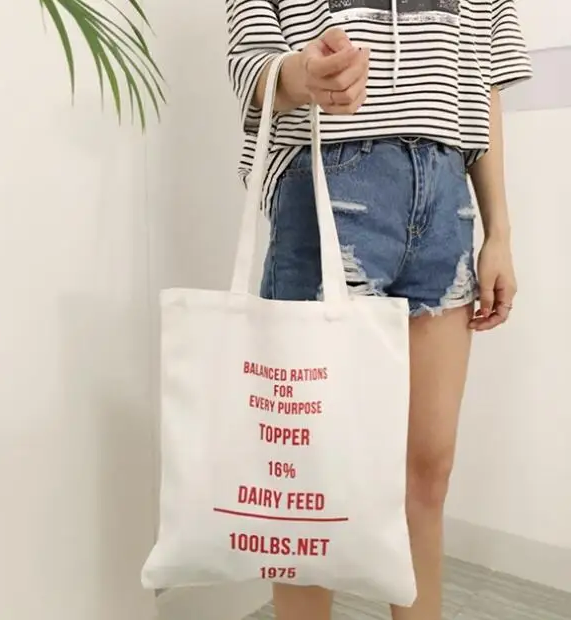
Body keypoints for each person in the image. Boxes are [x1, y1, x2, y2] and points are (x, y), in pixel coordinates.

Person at [225, 1, 532, 619]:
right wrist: (302, 75)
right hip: (327, 185)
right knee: (310, 479)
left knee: (428, 471)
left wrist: (499, 230)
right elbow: (250, 64)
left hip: (447, 197)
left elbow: (483, 83)